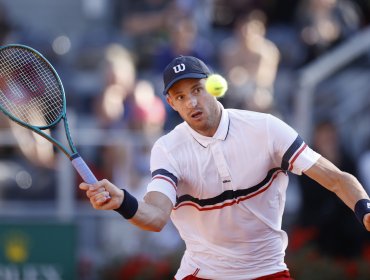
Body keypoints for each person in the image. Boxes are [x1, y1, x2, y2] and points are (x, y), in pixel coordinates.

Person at [80, 56, 370, 280]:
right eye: (180, 96)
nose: (192, 101)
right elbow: (155, 217)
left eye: (196, 89)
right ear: (171, 103)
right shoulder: (168, 149)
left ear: (212, 86)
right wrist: (122, 201)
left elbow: (337, 179)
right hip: (201, 274)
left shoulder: (266, 129)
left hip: (266, 270)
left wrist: (365, 210)